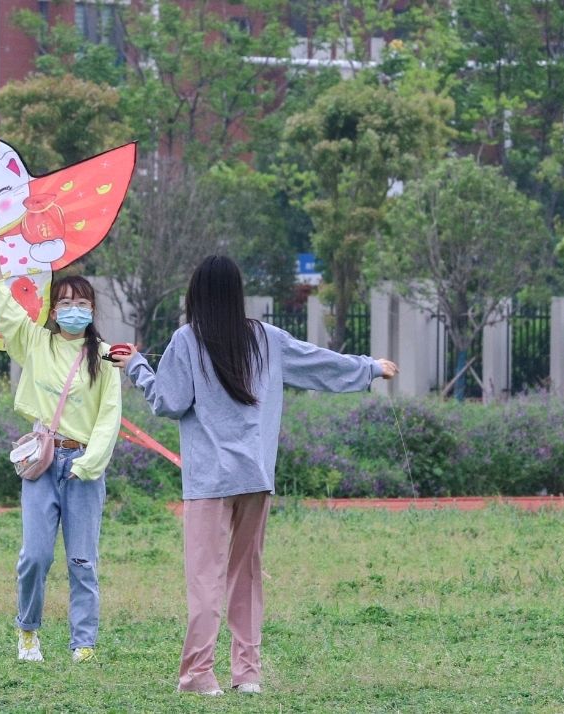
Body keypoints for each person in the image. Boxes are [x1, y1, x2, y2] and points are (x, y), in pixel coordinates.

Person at [111, 255, 398, 695]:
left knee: (205, 580)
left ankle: (199, 675)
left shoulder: (187, 339)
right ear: (237, 293)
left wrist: (136, 367)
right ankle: (247, 675)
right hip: (255, 477)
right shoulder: (266, 337)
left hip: (209, 484)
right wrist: (370, 368)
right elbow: (317, 363)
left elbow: (168, 402)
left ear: (195, 294)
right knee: (246, 576)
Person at [0, 213, 122, 665]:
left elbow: (109, 416)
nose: (73, 309)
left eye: (82, 303)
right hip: (42, 463)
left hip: (83, 469)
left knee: (82, 561)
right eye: (65, 303)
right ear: (53, 310)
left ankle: (84, 643)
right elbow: (2, 301)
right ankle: (28, 632)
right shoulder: (35, 343)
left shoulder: (104, 357)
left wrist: (89, 463)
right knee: (35, 557)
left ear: (92, 310)